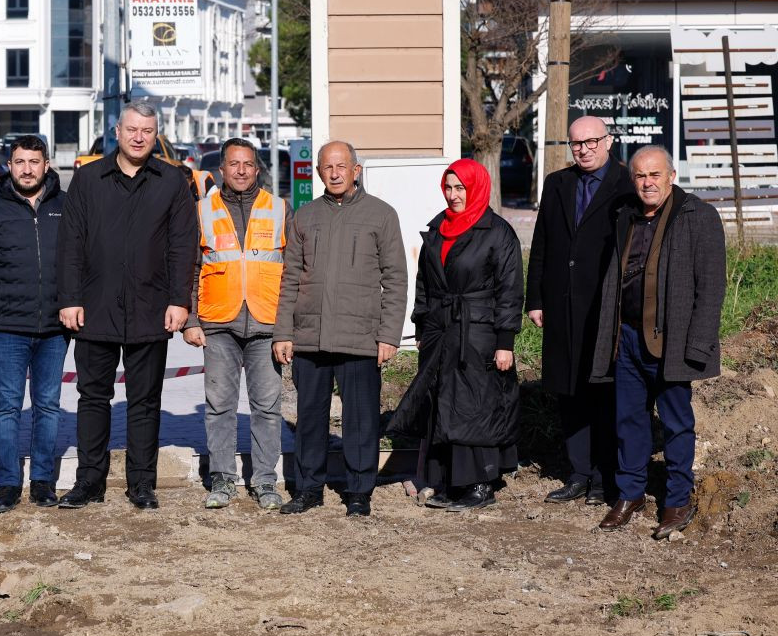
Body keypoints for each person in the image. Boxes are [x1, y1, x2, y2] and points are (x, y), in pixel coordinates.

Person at [56, 103, 198, 510]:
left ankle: (141, 484)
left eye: (148, 131)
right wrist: (69, 299)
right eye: (132, 129)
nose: (139, 137)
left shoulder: (172, 181)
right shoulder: (87, 179)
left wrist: (179, 301)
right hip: (95, 308)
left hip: (152, 308)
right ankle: (89, 483)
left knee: (145, 401)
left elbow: (182, 245)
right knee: (92, 398)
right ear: (117, 131)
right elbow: (70, 244)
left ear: (157, 136)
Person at [590, 146, 725, 538]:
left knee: (677, 424)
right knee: (628, 421)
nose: (647, 183)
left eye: (654, 175)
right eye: (640, 176)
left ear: (670, 175)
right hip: (628, 338)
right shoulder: (626, 216)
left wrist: (697, 344)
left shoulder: (698, 216)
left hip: (672, 341)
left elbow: (711, 287)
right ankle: (630, 493)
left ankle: (677, 500)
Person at [272, 141, 408, 517]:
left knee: (361, 420)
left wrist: (388, 335)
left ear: (355, 170)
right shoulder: (304, 216)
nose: (334, 173)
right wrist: (284, 332)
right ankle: (308, 489)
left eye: (341, 166)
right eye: (327, 167)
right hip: (310, 337)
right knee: (310, 417)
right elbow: (290, 278)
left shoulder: (381, 215)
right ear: (318, 172)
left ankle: (359, 491)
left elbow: (396, 278)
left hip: (361, 338)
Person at [388, 159, 523, 511]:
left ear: (476, 187)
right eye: (448, 187)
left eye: (460, 187)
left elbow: (510, 290)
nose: (453, 195)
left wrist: (505, 341)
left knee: (475, 405)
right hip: (440, 331)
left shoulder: (497, 232)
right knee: (441, 403)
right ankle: (448, 481)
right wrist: (421, 325)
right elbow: (425, 283)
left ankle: (480, 484)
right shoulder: (438, 228)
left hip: (478, 333)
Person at [526, 116, 635, 506]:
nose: (584, 149)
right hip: (561, 303)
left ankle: (604, 476)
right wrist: (535, 299)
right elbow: (541, 243)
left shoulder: (626, 185)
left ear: (608, 141)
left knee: (603, 391)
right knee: (567, 390)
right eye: (576, 144)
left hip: (605, 306)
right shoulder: (558, 183)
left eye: (591, 142)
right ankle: (578, 473)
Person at [0, 136, 69, 514]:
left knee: (48, 405)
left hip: (54, 329)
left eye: (34, 162)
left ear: (46, 165)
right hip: (5, 328)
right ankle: (7, 483)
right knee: (6, 406)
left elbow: (81, 263)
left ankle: (42, 481)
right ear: (9, 166)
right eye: (19, 162)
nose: (26, 169)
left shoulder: (64, 207)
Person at [183, 138, 294, 511]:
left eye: (248, 164)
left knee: (267, 407)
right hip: (217, 323)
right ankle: (223, 480)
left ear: (258, 169)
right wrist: (191, 320)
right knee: (219, 406)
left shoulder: (279, 209)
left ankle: (265, 481)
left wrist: (288, 327)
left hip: (267, 323)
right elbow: (191, 269)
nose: (241, 170)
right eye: (234, 164)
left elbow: (293, 271)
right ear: (221, 170)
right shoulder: (201, 210)